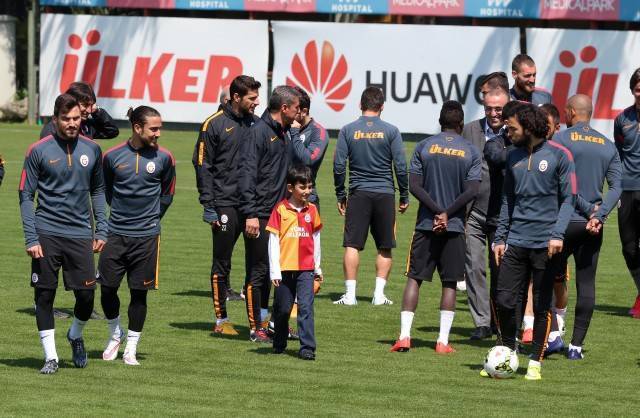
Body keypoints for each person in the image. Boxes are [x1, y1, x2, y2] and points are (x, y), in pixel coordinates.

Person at [19, 93, 108, 374]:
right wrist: (31, 237)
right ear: (55, 119)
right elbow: (25, 196)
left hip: (80, 233)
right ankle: (51, 358)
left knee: (86, 296)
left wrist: (102, 228)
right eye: (66, 119)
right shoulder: (38, 150)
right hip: (46, 232)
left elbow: (98, 190)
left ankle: (75, 334)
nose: (72, 123)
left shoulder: (92, 149)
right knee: (44, 296)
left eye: (76, 118)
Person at [491, 104, 576, 380]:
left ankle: (535, 361)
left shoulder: (560, 155)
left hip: (546, 244)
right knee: (504, 299)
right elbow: (507, 199)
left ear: (528, 127)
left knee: (541, 305)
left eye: (512, 128)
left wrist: (557, 234)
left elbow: (569, 200)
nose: (508, 133)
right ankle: (507, 353)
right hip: (515, 241)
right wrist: (500, 237)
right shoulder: (512, 155)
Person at [390, 101, 481, 354]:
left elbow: (414, 186)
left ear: (440, 122)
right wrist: (447, 213)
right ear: (461, 124)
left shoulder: (424, 146)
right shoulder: (471, 151)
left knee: (414, 278)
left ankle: (404, 337)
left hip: (425, 225)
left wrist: (435, 211)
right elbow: (472, 190)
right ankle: (442, 341)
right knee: (450, 283)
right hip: (454, 226)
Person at [98, 106, 176, 366]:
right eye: (154, 129)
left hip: (147, 237)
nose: (158, 133)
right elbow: (106, 191)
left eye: (159, 128)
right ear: (137, 127)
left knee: (138, 294)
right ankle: (115, 333)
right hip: (115, 234)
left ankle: (131, 347)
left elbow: (167, 194)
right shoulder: (111, 156)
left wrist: (151, 218)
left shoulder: (165, 158)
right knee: (107, 288)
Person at [550, 94, 621, 359]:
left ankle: (553, 336)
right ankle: (576, 347)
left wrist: (586, 209)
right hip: (592, 227)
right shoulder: (608, 145)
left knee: (546, 278)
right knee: (586, 283)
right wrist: (598, 215)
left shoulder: (560, 140)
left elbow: (561, 185)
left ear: (570, 112)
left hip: (563, 222)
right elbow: (617, 187)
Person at [193, 75, 261, 336]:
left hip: (252, 206)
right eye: (252, 98)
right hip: (224, 205)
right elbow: (202, 166)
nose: (257, 102)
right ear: (236, 97)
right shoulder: (213, 124)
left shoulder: (257, 124)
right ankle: (221, 320)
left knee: (258, 264)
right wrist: (208, 205)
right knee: (222, 263)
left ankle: (259, 321)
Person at [333, 86, 409, 306]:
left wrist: (340, 194)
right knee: (385, 246)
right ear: (382, 106)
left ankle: (350, 296)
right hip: (385, 193)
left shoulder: (347, 130)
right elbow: (400, 166)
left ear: (360, 104)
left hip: (358, 193)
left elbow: (339, 165)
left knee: (352, 244)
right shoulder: (392, 131)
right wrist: (404, 194)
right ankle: (378, 295)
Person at [238, 85, 302, 342]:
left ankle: (274, 324)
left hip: (280, 215)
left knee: (279, 271)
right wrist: (251, 213)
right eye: (296, 107)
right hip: (260, 214)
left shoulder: (283, 133)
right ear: (284, 108)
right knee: (259, 271)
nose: (299, 112)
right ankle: (256, 328)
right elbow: (247, 174)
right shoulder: (259, 132)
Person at [462, 88, 509, 340]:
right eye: (488, 108)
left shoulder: (516, 132)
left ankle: (499, 321)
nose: (493, 113)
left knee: (501, 271)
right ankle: (481, 322)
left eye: (498, 109)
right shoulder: (470, 130)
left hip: (503, 215)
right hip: (473, 213)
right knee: (474, 268)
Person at [267, 165, 322, 360]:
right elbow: (273, 241)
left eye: (310, 187)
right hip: (284, 269)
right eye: (302, 187)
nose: (307, 191)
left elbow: (316, 239)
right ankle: (279, 341)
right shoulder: (280, 209)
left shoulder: (312, 210)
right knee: (282, 309)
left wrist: (317, 267)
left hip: (306, 269)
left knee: (305, 308)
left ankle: (307, 348)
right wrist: (274, 271)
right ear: (290, 188)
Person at [614, 68, 640, 318]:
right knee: (629, 248)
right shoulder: (622, 119)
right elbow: (619, 154)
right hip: (628, 189)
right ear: (633, 90)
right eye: (638, 89)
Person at [291, 87, 329, 211]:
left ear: (304, 111)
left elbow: (308, 159)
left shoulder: (318, 132)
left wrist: (294, 133)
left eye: (293, 108)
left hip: (307, 199)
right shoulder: (285, 127)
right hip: (281, 198)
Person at [40, 81, 119, 140]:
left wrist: (97, 111)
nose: (89, 111)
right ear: (72, 101)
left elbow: (112, 131)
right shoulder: (53, 129)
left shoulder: (87, 126)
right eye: (85, 105)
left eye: (91, 105)